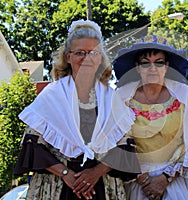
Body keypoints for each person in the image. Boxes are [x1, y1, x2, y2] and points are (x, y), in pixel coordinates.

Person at [98, 34, 188, 200]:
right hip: (137, 182)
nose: (152, 68)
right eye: (145, 63)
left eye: (159, 62)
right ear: (137, 67)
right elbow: (114, 143)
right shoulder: (121, 98)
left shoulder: (187, 97)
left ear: (167, 66)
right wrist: (144, 179)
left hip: (176, 181)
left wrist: (165, 178)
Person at [14, 20, 126, 200]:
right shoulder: (51, 96)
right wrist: (67, 174)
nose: (87, 58)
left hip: (102, 187)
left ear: (100, 58)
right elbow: (32, 145)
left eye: (93, 53)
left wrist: (95, 172)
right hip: (58, 187)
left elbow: (125, 146)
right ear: (68, 57)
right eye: (80, 52)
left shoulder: (112, 98)